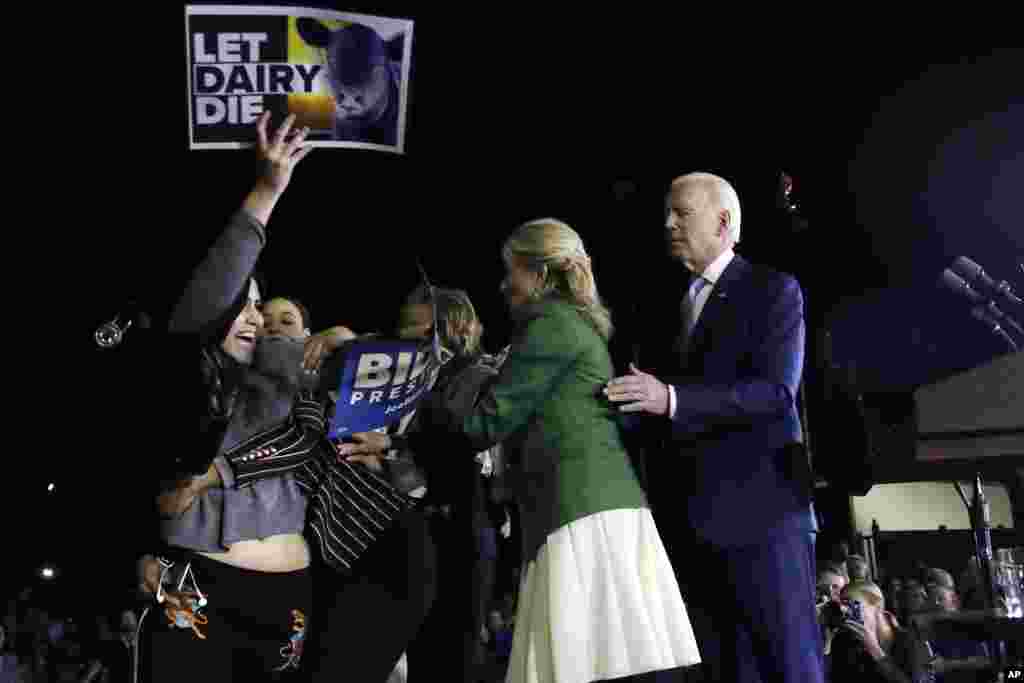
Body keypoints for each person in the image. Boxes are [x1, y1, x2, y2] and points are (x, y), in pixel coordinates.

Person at [342, 218, 702, 682]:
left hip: (579, 508)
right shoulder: (568, 323)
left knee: (582, 666)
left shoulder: (550, 325)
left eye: (510, 269)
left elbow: (485, 422)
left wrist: (399, 434)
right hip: (582, 504)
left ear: (536, 272)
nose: (503, 282)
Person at [605, 172, 822, 682]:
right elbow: (654, 408)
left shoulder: (773, 290)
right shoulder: (669, 306)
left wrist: (672, 397)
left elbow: (775, 393)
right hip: (691, 524)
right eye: (668, 213)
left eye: (682, 213)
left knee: (789, 667)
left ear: (723, 222)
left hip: (763, 521)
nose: (669, 223)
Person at [829, 582, 931, 683]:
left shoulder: (910, 641)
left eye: (854, 606)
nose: (847, 613)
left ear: (877, 605)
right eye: (844, 608)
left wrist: (875, 650)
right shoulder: (844, 642)